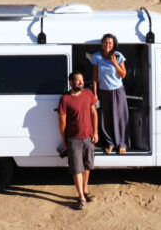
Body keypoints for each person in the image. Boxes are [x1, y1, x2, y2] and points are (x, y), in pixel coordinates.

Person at [58, 72, 99, 210]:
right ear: (71, 82)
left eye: (82, 80)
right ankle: (81, 196)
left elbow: (94, 113)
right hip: (73, 139)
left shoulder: (88, 94)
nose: (81, 82)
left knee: (87, 166)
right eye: (78, 80)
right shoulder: (65, 99)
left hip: (88, 137)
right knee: (77, 169)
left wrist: (95, 132)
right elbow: (62, 122)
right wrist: (64, 140)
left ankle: (85, 190)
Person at [91, 33, 128, 154]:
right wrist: (95, 94)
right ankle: (109, 143)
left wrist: (115, 62)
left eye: (110, 43)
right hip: (103, 91)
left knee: (120, 117)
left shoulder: (118, 56)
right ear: (102, 43)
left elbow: (123, 75)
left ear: (113, 45)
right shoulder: (97, 57)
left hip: (117, 91)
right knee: (104, 118)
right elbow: (95, 77)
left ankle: (122, 143)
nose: (107, 45)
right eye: (105, 42)